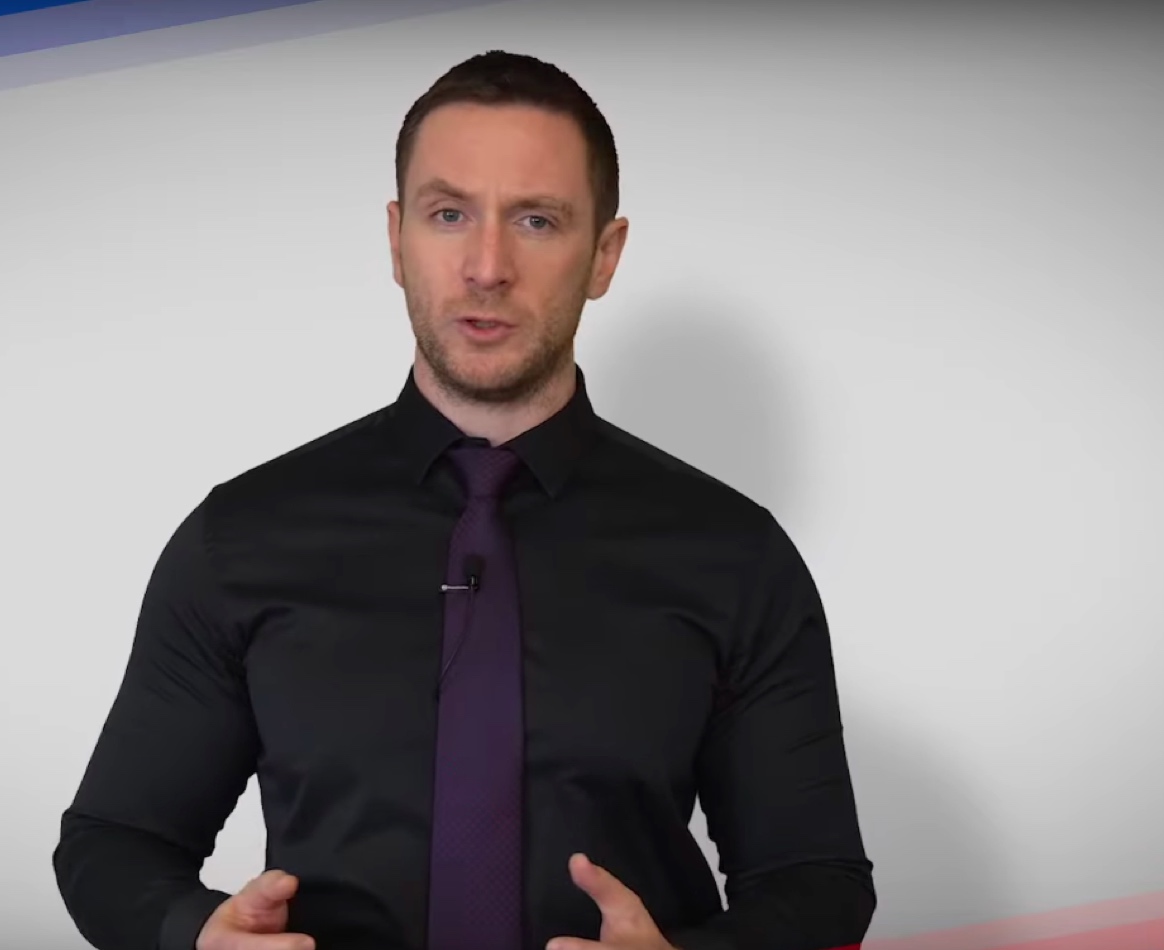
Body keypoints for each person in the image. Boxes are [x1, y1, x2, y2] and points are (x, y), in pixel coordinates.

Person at [53, 50, 875, 950]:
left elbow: (817, 881)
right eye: (449, 215)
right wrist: (195, 935)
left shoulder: (736, 554)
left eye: (536, 220)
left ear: (603, 256)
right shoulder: (238, 537)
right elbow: (114, 841)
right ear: (397, 239)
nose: (487, 266)